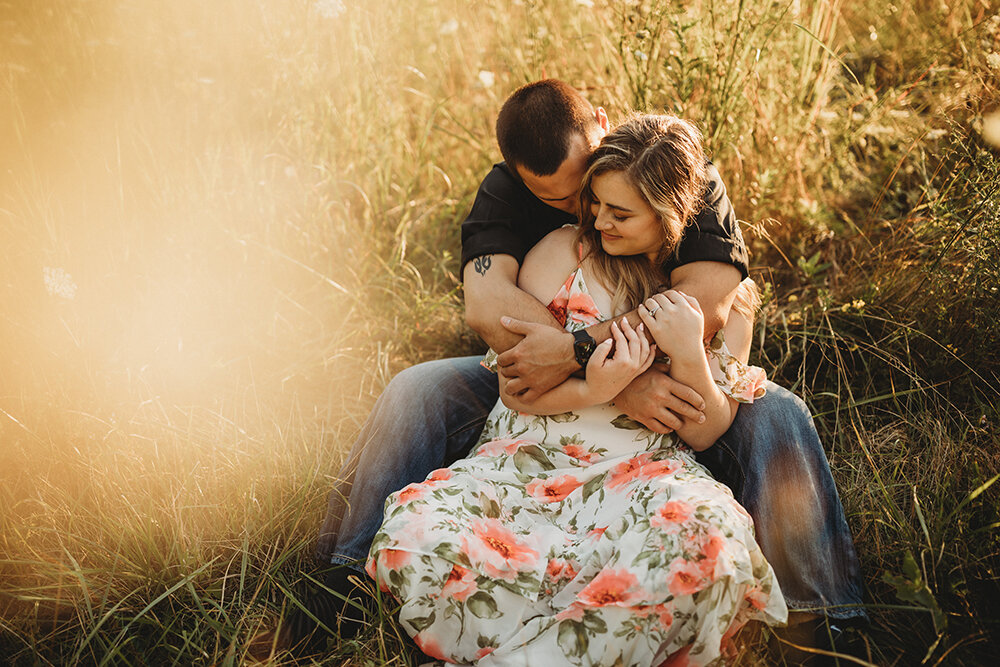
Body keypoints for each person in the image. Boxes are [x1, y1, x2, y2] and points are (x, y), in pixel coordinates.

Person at [273, 80, 863, 654]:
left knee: (779, 411)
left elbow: (707, 304)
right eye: (565, 199)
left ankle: (823, 619)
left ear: (603, 132)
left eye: (600, 190)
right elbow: (488, 306)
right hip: (541, 371)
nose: (588, 210)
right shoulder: (509, 193)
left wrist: (597, 361)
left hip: (667, 376)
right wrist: (599, 378)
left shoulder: (677, 174)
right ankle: (339, 582)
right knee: (417, 388)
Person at [367, 113, 788, 665]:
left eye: (620, 213)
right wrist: (605, 386)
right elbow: (516, 385)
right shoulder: (565, 252)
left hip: (640, 472)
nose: (598, 219)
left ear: (668, 217)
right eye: (596, 203)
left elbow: (706, 431)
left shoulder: (717, 301)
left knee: (708, 542)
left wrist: (687, 352)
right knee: (419, 538)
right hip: (529, 460)